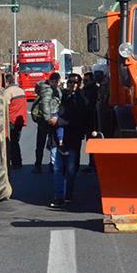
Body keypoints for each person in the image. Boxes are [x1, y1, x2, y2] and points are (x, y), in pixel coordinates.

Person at [50, 74, 89, 208]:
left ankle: (68, 194)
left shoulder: (81, 99)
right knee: (58, 168)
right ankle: (59, 196)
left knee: (71, 169)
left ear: (80, 84)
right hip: (57, 137)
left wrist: (59, 121)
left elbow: (78, 119)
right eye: (71, 82)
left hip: (72, 138)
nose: (73, 85)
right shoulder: (62, 96)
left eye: (76, 82)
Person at [31, 72, 62, 174]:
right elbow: (45, 105)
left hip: (43, 120)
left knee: (41, 143)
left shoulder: (45, 88)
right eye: (55, 82)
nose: (56, 83)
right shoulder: (48, 90)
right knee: (51, 142)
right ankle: (47, 164)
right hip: (47, 120)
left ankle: (39, 165)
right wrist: (48, 118)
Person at [5, 80, 27, 170]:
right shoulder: (21, 90)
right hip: (20, 120)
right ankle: (18, 162)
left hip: (12, 120)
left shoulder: (8, 92)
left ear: (7, 82)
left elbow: (5, 106)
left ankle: (16, 162)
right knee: (16, 141)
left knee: (12, 142)